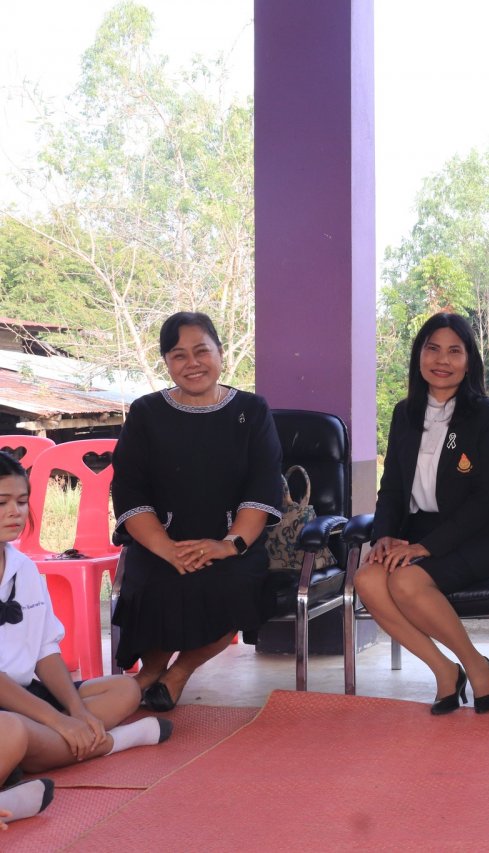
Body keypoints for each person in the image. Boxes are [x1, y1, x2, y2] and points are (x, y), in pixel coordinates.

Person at [112, 311, 284, 711]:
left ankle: (178, 673)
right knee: (156, 582)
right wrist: (167, 548)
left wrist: (228, 544)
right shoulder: (146, 413)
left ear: (220, 353)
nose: (192, 363)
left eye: (201, 351)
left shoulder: (252, 410)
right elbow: (129, 490)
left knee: (229, 586)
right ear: (166, 362)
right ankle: (151, 672)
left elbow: (262, 486)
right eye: (178, 355)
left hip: (231, 542)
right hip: (162, 541)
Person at [0, 452, 172, 829]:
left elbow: (45, 651)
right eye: (2, 502)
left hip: (27, 696)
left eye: (22, 501)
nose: (15, 511)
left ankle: (27, 764)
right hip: (8, 711)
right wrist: (60, 722)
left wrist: (76, 712)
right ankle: (110, 743)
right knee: (10, 730)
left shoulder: (22, 567)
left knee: (125, 690)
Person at [354, 313, 489, 714]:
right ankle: (445, 671)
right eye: (433, 349)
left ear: (469, 360)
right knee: (367, 580)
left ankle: (477, 667)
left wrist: (425, 548)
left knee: (405, 581)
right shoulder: (404, 413)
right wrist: (384, 536)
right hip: (418, 531)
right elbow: (392, 487)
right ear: (419, 356)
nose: (442, 360)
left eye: (454, 351)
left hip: (478, 536)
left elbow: (485, 498)